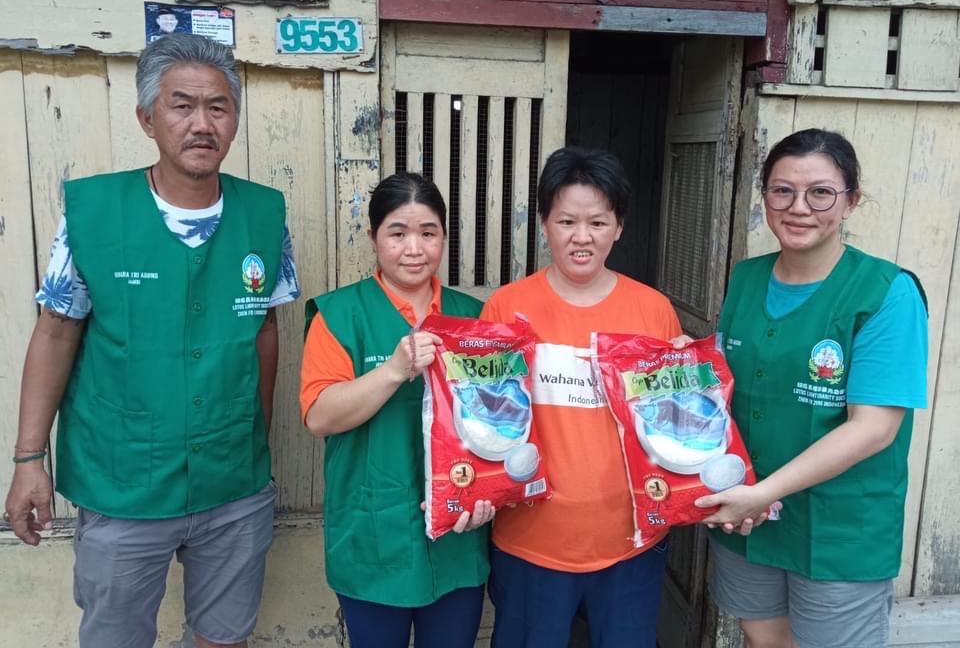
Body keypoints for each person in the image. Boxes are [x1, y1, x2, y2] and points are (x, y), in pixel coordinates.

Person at [2, 32, 300, 648]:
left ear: (234, 121)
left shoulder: (265, 215)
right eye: (181, 105)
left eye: (217, 107)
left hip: (233, 485)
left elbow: (265, 330)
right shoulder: (95, 212)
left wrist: (254, 437)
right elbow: (56, 331)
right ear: (147, 118)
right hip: (121, 483)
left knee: (224, 637)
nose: (201, 124)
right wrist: (30, 460)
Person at [694, 129, 928, 648]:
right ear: (765, 197)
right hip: (749, 518)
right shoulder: (746, 278)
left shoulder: (886, 292)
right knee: (765, 640)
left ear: (851, 201)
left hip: (837, 527)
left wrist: (762, 494)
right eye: (783, 191)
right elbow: (726, 383)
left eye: (820, 192)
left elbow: (873, 430)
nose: (799, 207)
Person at [481, 146, 683, 648]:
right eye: (567, 221)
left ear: (619, 227)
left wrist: (692, 377)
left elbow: (673, 425)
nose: (581, 236)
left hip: (631, 542)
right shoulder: (507, 307)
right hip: (530, 542)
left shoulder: (653, 311)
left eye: (597, 222)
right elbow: (485, 416)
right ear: (544, 224)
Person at [300, 172, 495, 648]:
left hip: (458, 534)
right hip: (372, 535)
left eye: (428, 233)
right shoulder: (340, 315)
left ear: (444, 237)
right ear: (373, 237)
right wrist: (393, 370)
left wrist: (492, 491)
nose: (414, 249)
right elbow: (319, 416)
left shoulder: (474, 318)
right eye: (397, 233)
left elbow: (499, 420)